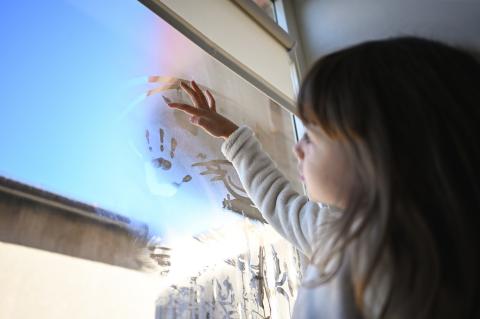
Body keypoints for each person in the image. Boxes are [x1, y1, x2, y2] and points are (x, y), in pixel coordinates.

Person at [166, 36, 480, 318]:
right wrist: (230, 135)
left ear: (379, 148)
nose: (298, 148)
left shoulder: (393, 258)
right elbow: (276, 199)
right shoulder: (335, 229)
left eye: (312, 136)